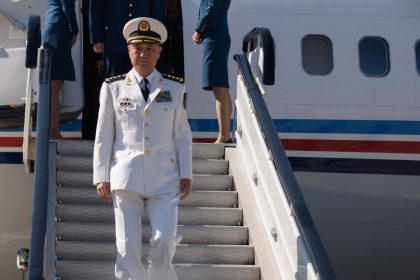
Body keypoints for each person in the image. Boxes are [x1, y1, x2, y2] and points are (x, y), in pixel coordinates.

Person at [93, 17, 193, 280]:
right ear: (128, 50)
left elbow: (182, 135)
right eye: (137, 48)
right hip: (126, 175)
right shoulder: (112, 87)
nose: (143, 54)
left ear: (159, 52)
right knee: (126, 247)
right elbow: (103, 135)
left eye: (150, 49)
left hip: (165, 176)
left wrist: (187, 174)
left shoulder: (174, 86)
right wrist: (101, 175)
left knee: (164, 239)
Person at [89, 0, 165, 78]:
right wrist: (97, 38)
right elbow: (96, 9)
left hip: (142, 40)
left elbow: (157, 9)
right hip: (115, 40)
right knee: (115, 82)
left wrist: (156, 37)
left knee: (141, 80)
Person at [192, 0, 232, 143]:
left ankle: (224, 135)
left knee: (218, 87)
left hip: (214, 36)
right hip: (216, 36)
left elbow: (212, 7)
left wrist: (198, 29)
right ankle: (225, 134)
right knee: (219, 87)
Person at [42, 0, 79, 139]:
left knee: (54, 85)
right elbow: (67, 6)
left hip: (53, 26)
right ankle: (53, 131)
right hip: (59, 29)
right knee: (54, 85)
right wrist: (75, 29)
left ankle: (53, 129)